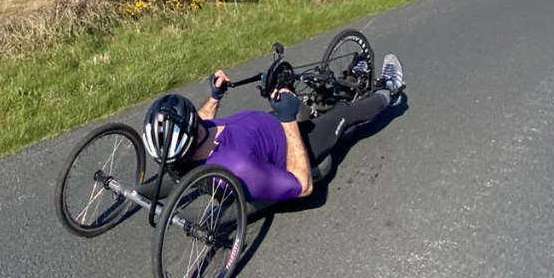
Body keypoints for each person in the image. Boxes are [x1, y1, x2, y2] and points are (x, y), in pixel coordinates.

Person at [141, 54, 405, 202]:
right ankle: (387, 91)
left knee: (310, 96)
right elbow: (302, 186)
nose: (200, 119)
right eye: (196, 122)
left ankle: (349, 80)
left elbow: (196, 121)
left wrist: (215, 96)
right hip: (296, 144)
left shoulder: (189, 148)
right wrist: (288, 118)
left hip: (265, 127)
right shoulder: (236, 166)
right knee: (344, 113)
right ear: (194, 132)